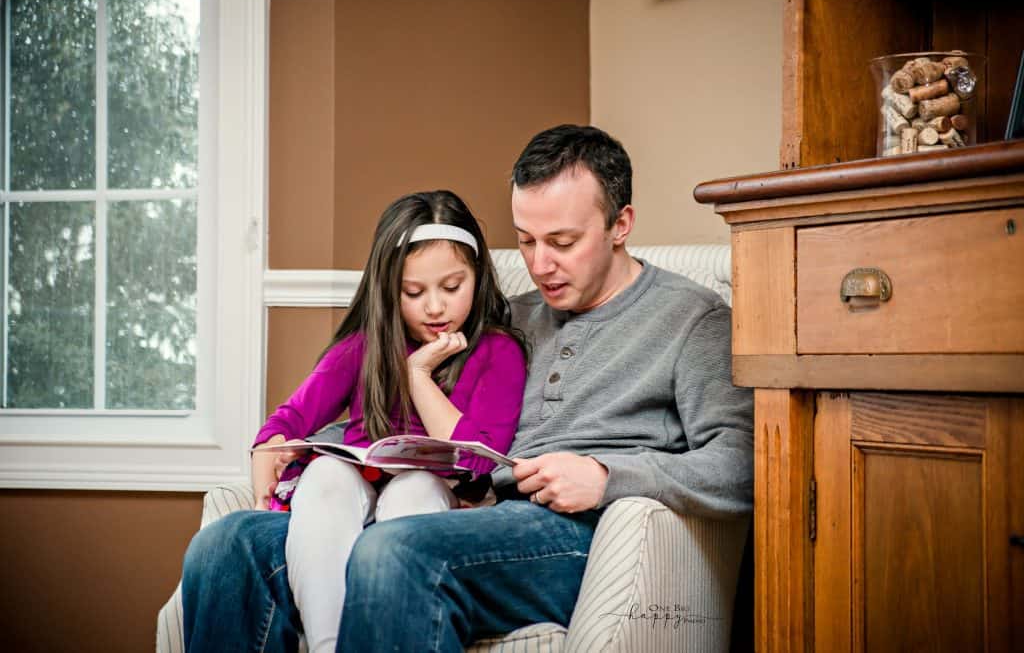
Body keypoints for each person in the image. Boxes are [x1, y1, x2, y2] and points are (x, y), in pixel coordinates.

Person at [181, 125, 753, 652]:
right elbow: (402, 401)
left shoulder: (691, 319)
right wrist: (293, 444)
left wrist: (606, 478)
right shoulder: (511, 317)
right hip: (475, 514)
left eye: (562, 241)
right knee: (227, 548)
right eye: (526, 241)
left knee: (398, 550)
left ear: (621, 224)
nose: (540, 264)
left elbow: (742, 464)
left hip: (581, 536)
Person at [197, 190, 528, 653]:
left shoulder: (499, 352)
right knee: (327, 474)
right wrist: (268, 446)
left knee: (414, 487)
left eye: (452, 287)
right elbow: (292, 416)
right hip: (351, 498)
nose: (435, 307)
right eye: (414, 293)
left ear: (478, 276)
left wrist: (418, 376)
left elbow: (475, 458)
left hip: (437, 501)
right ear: (389, 291)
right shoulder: (365, 347)